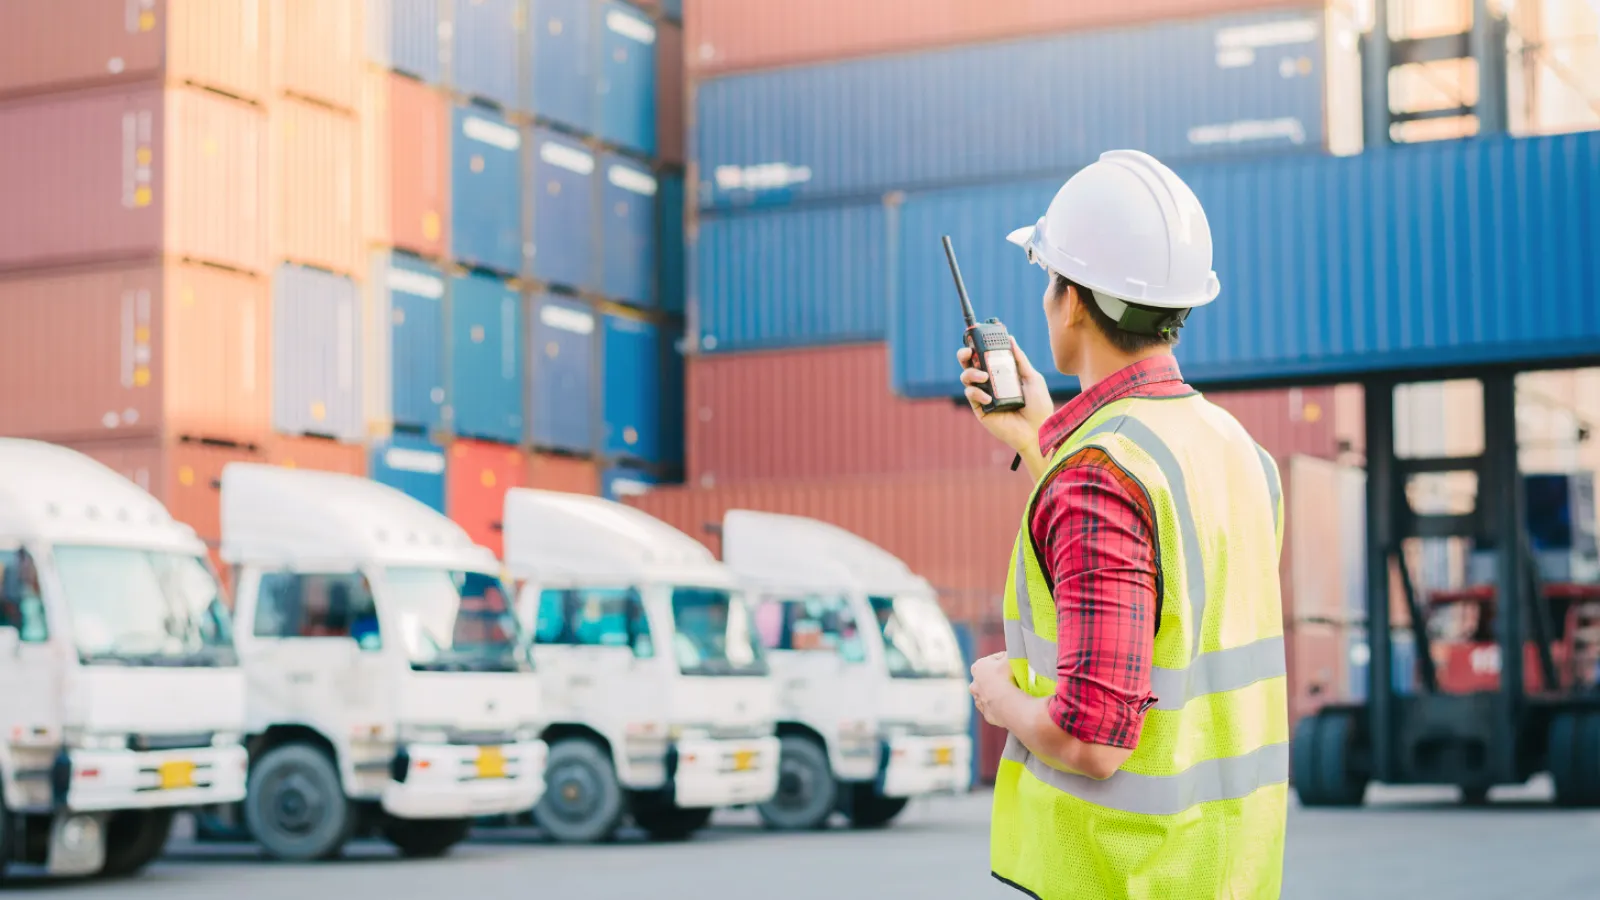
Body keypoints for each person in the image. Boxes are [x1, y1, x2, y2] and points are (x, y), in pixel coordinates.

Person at [958, 149, 1288, 900]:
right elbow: (1161, 594)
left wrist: (998, 694)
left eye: (1049, 279)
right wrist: (1036, 435)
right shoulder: (1239, 452)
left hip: (1125, 877)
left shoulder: (1099, 475)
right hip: (1230, 874)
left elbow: (1091, 736)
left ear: (1072, 300)